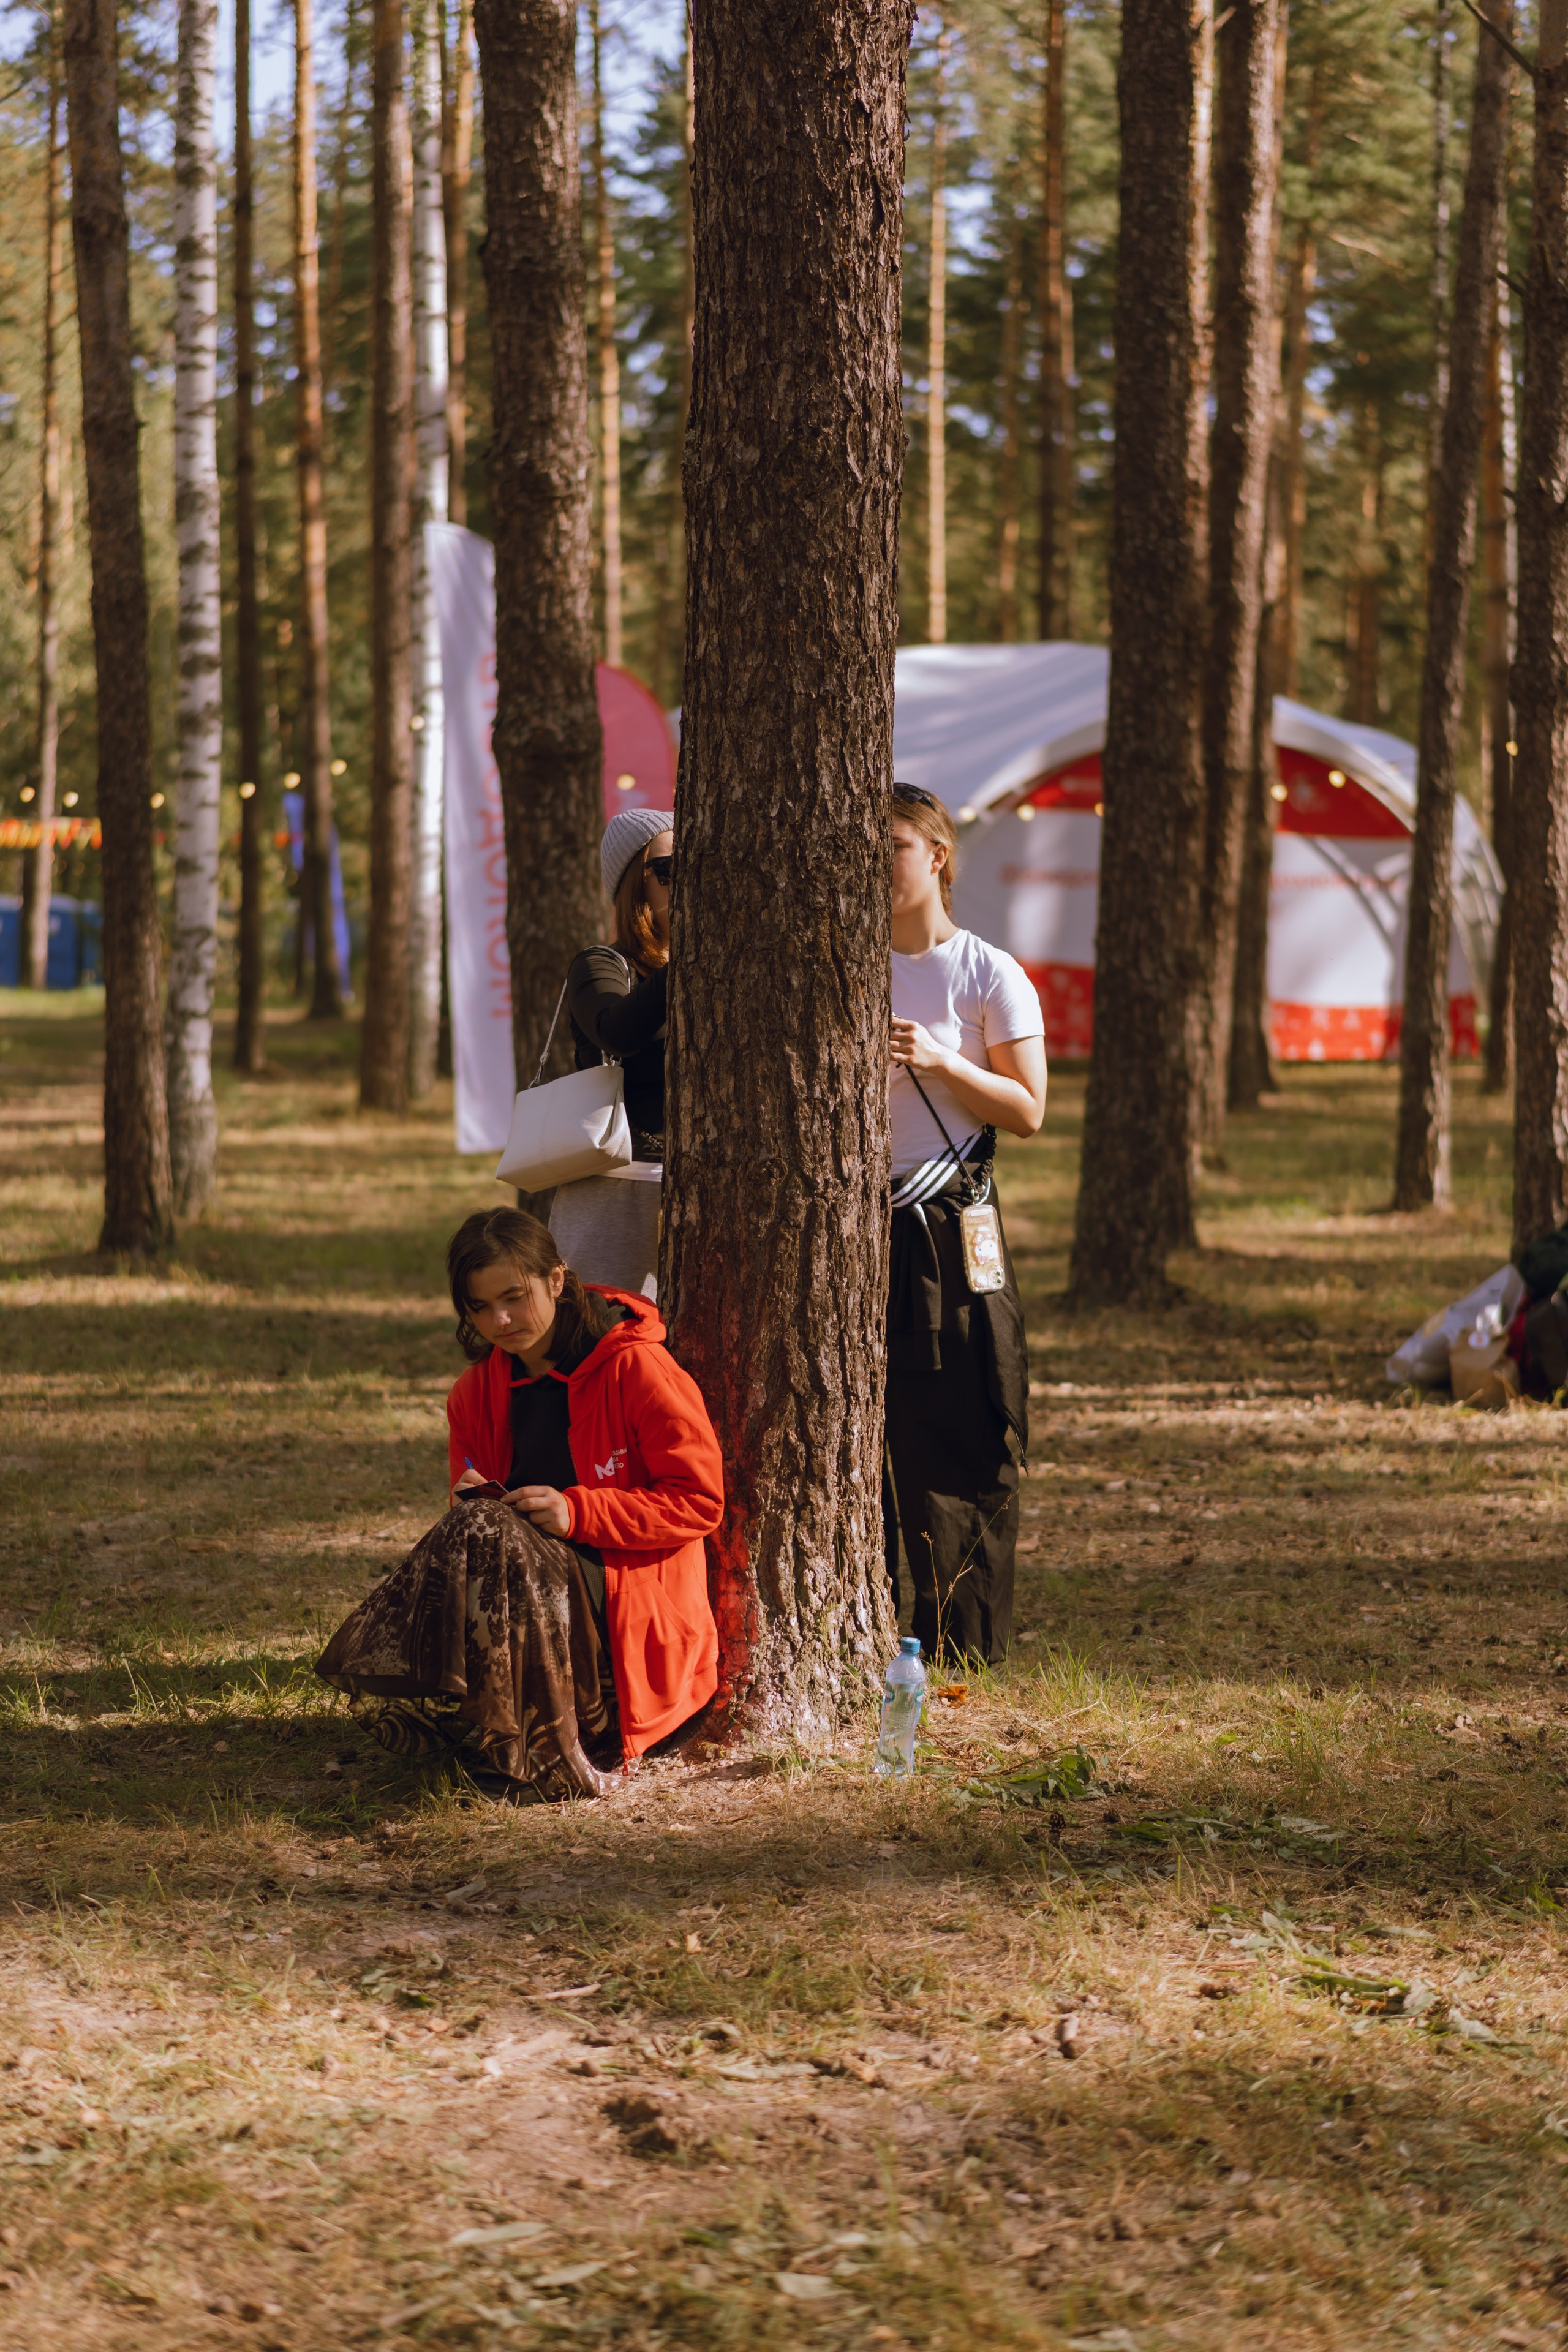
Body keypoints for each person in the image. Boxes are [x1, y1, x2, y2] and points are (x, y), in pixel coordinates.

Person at [316, 1207, 723, 1801]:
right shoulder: (474, 1395)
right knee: (477, 1528)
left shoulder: (635, 1366)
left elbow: (699, 1501)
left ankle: (541, 1756)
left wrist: (578, 1513)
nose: (499, 1321)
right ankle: (506, 1737)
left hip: (631, 1633)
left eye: (514, 1297)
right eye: (479, 1308)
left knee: (483, 1531)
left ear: (556, 1280)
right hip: (529, 1612)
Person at [883, 781, 1047, 1664]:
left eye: (893, 850)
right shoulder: (849, 961)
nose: (877, 870)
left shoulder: (989, 971)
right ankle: (868, 1636)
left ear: (937, 855)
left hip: (947, 1225)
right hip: (851, 1227)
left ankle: (960, 1644)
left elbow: (1027, 1111)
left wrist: (944, 1062)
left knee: (957, 1430)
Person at [544, 809, 674, 1298]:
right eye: (670, 870)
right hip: (619, 1184)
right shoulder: (601, 964)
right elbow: (616, 1031)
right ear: (633, 886)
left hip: (704, 1187)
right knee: (601, 1335)